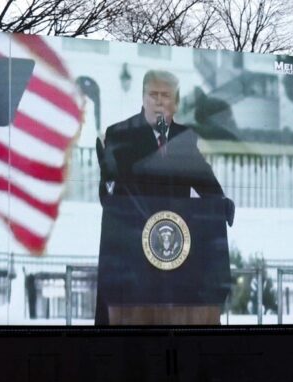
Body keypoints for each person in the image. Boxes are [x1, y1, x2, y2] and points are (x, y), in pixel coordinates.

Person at [95, 69, 234, 325]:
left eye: (166, 96)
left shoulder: (184, 137)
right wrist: (109, 178)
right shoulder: (120, 133)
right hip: (133, 256)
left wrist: (221, 203)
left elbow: (203, 179)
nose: (159, 101)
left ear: (176, 103)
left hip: (173, 259)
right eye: (153, 95)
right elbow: (109, 195)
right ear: (143, 98)